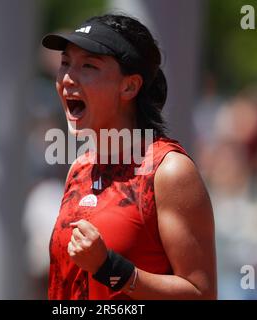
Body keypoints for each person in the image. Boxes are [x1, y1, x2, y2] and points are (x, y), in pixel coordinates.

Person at [41, 13, 217, 300]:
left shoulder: (168, 170)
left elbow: (202, 294)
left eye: (88, 65)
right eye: (65, 63)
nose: (68, 78)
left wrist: (112, 269)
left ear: (129, 87)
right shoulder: (80, 167)